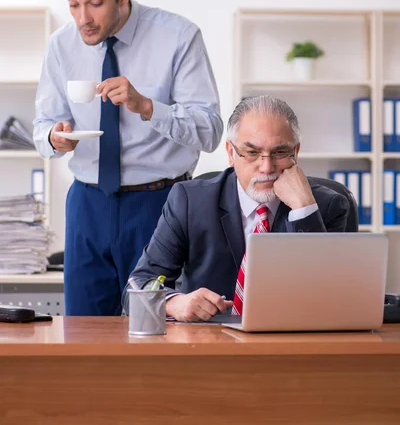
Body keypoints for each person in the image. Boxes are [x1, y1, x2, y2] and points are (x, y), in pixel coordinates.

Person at [33, 0, 223, 316]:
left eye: (95, 2)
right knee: (84, 332)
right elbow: (43, 126)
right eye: (73, 4)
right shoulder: (61, 45)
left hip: (160, 203)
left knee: (156, 325)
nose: (83, 17)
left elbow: (211, 130)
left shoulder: (179, 37)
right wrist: (54, 138)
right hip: (88, 203)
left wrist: (148, 107)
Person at [124, 94, 349, 322]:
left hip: (293, 343)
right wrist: (172, 302)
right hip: (208, 342)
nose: (266, 167)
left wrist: (304, 209)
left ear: (296, 152)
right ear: (231, 153)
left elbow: (333, 300)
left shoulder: (327, 205)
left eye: (280, 152)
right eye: (252, 153)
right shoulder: (189, 201)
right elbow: (137, 288)